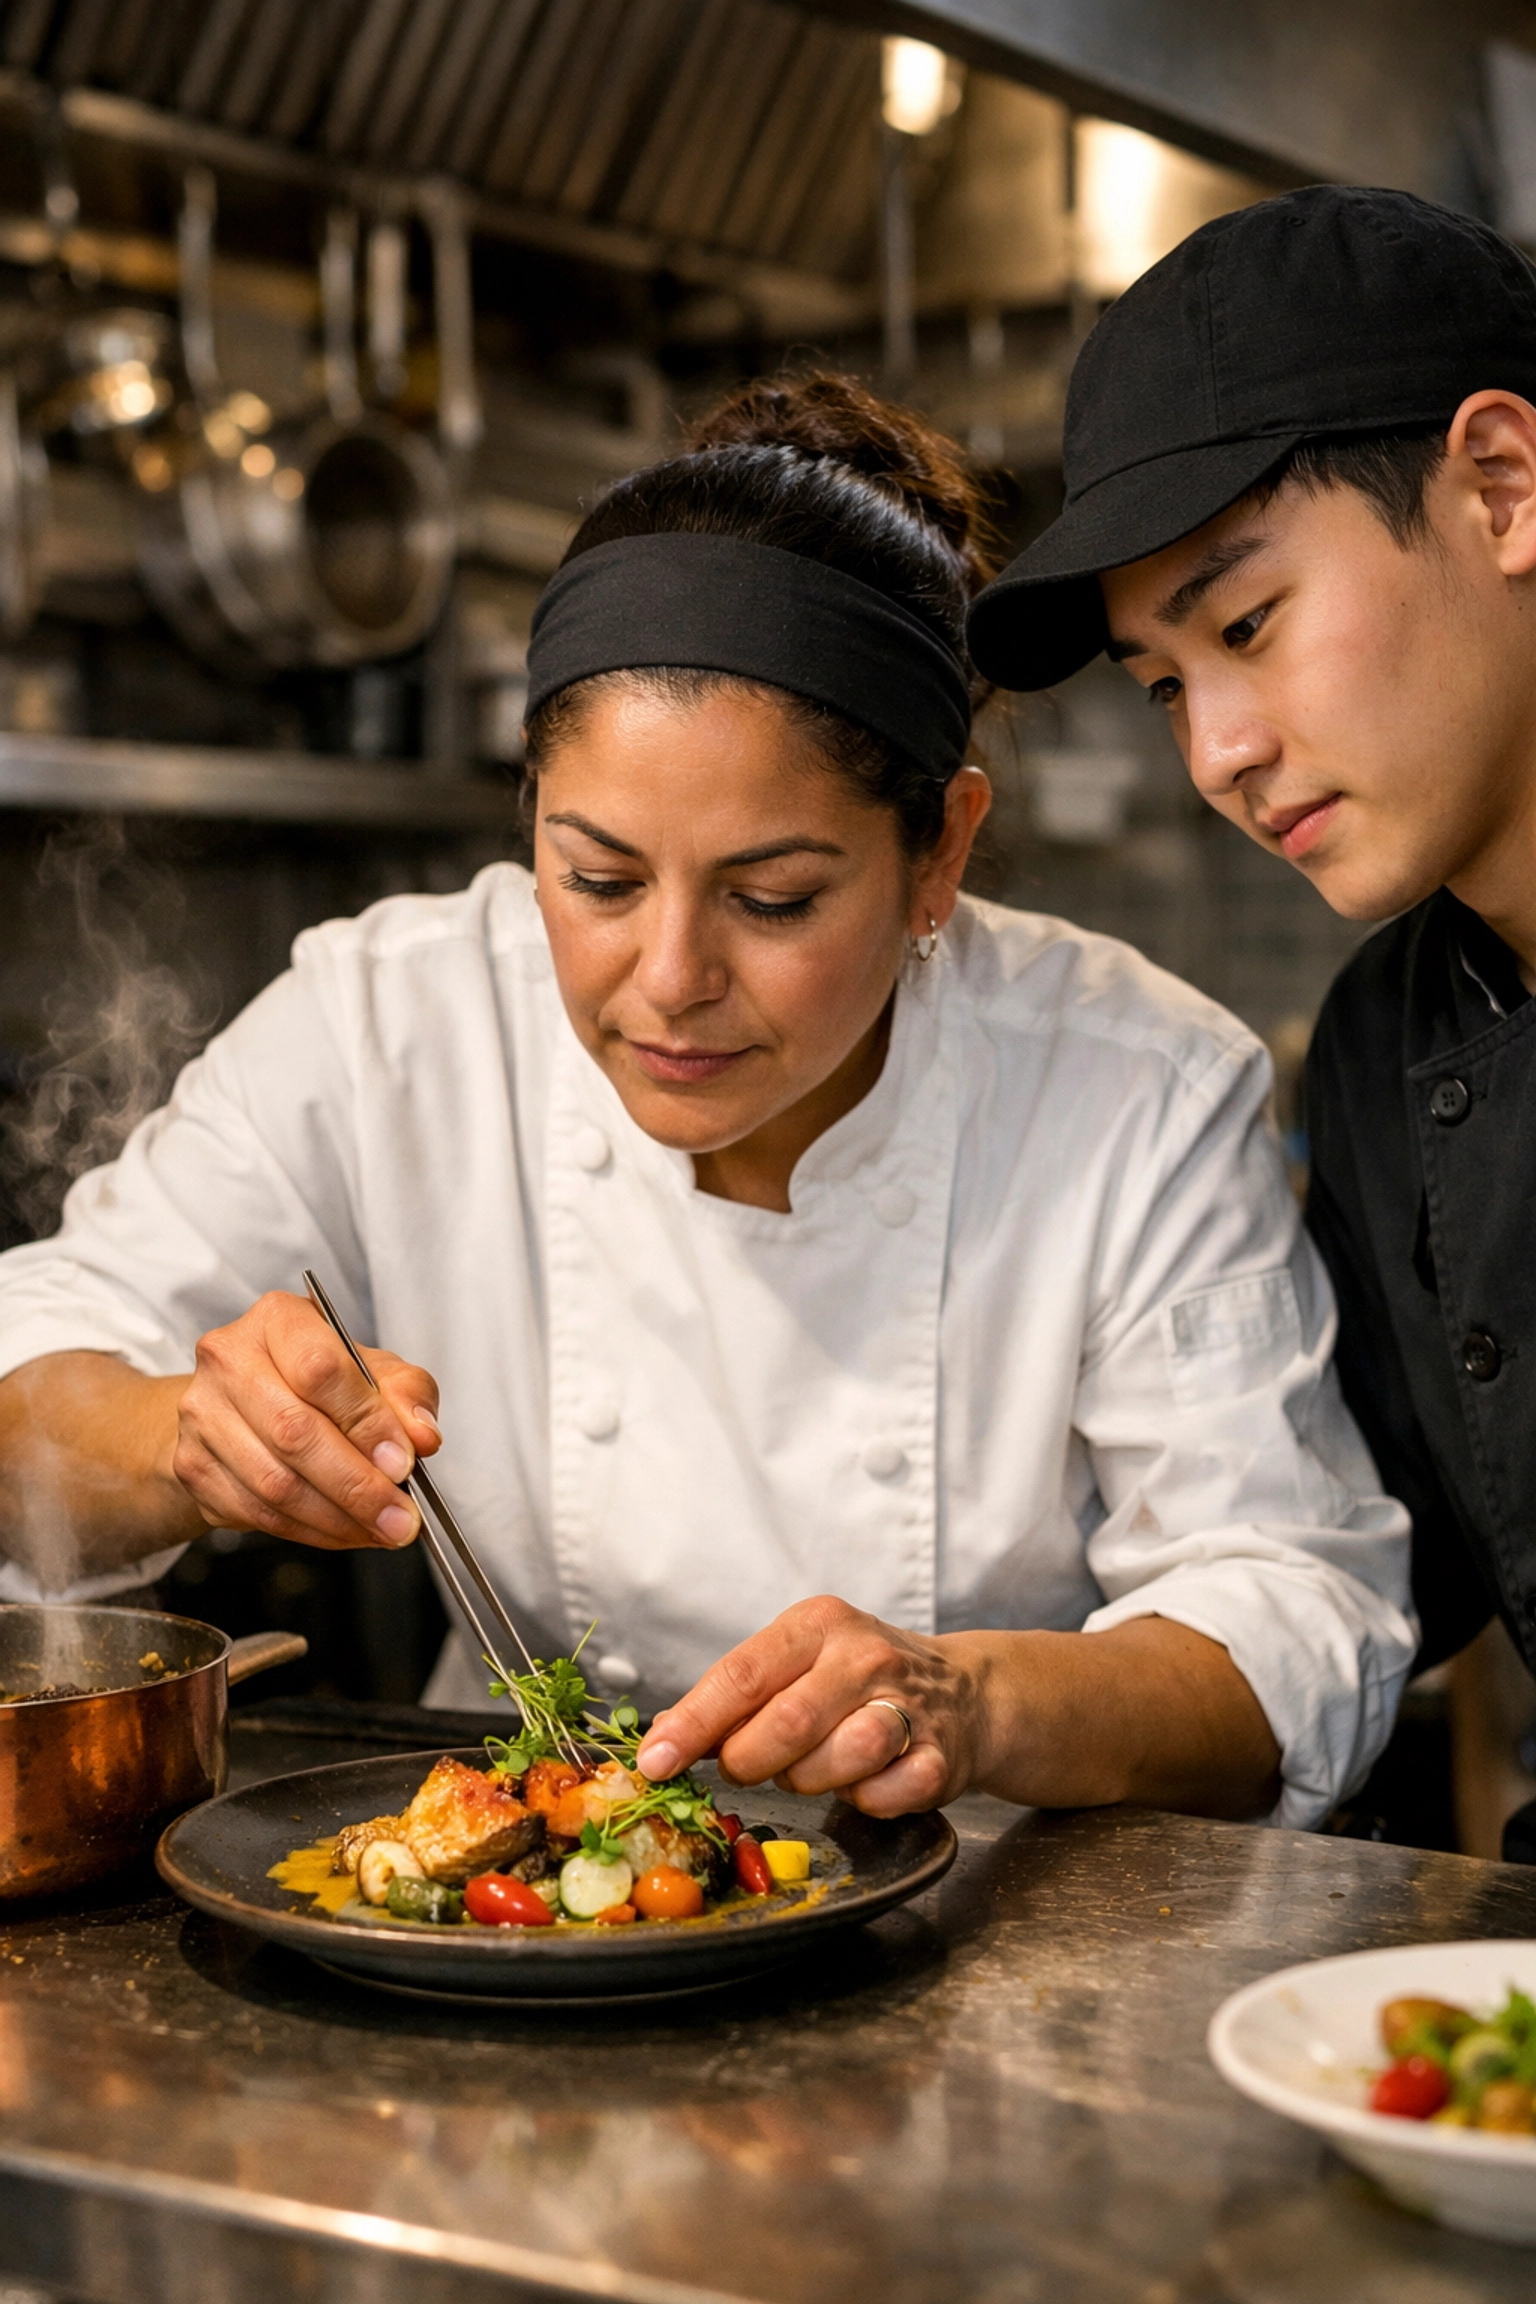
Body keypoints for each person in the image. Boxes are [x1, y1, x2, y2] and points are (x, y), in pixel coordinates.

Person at [0, 375, 1411, 1828]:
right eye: (597, 879)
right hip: (494, 1901)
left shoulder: (1134, 1089)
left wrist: (972, 1703)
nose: (669, 979)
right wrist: (185, 1436)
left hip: (995, 1923)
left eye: (775, 897)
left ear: (942, 855)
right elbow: (30, 1373)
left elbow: (1291, 1623)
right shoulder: (394, 1018)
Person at [964, 185, 1536, 1854]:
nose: (1213, 753)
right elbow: (1345, 1565)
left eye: (1248, 626)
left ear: (1501, 485)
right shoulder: (1389, 1042)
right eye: (1166, 685)